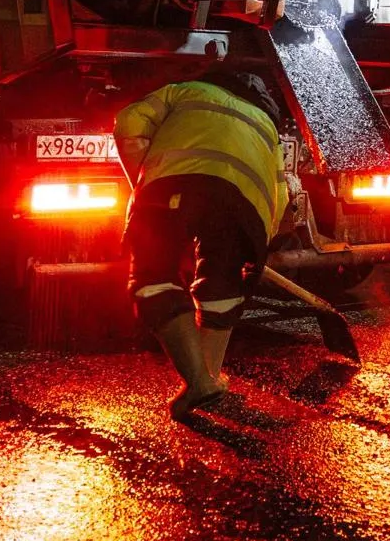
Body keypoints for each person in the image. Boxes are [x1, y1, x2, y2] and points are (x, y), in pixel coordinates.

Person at [115, 68, 290, 420]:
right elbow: (281, 195)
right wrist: (255, 241)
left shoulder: (183, 91)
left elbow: (129, 123)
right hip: (244, 208)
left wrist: (144, 178)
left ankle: (200, 382)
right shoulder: (266, 126)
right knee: (222, 285)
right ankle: (208, 378)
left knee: (153, 277)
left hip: (175, 185)